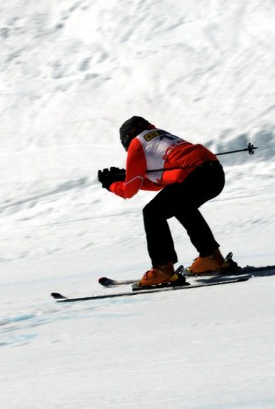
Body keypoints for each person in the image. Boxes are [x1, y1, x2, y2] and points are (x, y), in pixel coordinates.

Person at [98, 116, 233, 288]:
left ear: (126, 139)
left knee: (152, 213)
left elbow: (129, 191)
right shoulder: (158, 136)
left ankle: (162, 269)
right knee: (180, 205)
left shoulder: (136, 144)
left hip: (195, 176)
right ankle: (210, 257)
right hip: (214, 174)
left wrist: (111, 185)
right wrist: (126, 178)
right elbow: (159, 182)